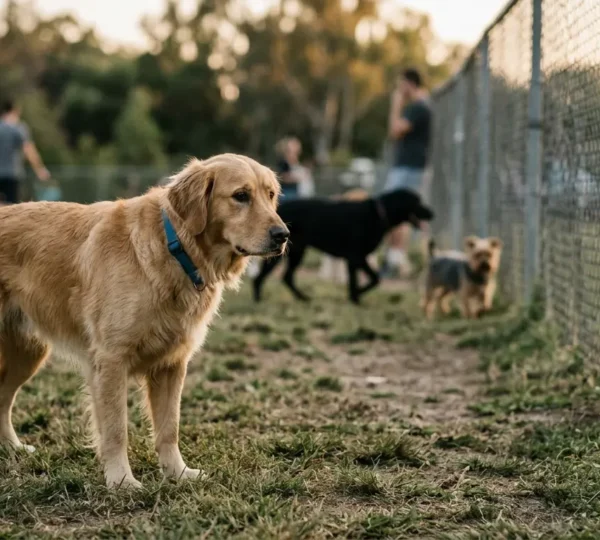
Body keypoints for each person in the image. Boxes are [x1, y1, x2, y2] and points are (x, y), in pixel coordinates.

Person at [381, 68, 432, 277]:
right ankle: (398, 260)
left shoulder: (418, 107)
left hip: (409, 168)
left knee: (396, 213)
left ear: (410, 84)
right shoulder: (421, 105)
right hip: (410, 167)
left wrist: (396, 103)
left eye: (401, 84)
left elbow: (394, 130)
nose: (399, 89)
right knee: (401, 214)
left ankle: (398, 262)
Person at [0, 100, 50, 205]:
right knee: (11, 210)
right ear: (15, 110)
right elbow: (28, 149)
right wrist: (40, 169)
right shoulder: (18, 128)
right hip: (12, 174)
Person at [275, 137, 303, 201]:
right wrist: (296, 178)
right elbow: (282, 176)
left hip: (296, 193)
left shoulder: (297, 163)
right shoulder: (283, 162)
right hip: (286, 194)